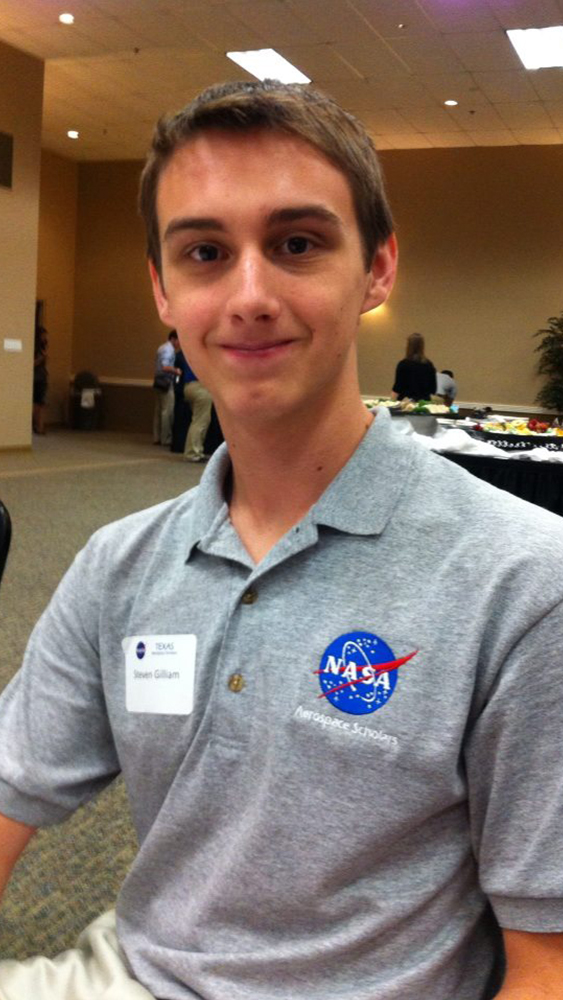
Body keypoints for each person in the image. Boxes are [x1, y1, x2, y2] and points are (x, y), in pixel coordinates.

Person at [0, 80, 562, 1000]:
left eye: (296, 244)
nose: (249, 294)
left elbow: (549, 965)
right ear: (163, 291)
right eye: (206, 253)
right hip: (130, 976)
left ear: (377, 268)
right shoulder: (119, 563)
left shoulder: (524, 581)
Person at [179, 352, 213, 463]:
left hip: (189, 386)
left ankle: (196, 451)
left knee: (197, 421)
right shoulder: (205, 355)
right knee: (200, 422)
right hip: (200, 387)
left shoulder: (190, 352)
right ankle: (193, 453)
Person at [152, 329, 180, 445]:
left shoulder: (161, 347)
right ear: (173, 339)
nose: (180, 343)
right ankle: (166, 438)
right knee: (167, 411)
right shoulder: (169, 350)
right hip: (166, 382)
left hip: (158, 381)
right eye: (179, 340)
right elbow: (165, 366)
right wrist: (176, 370)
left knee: (158, 411)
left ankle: (157, 437)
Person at [391, 331, 436, 401]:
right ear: (422, 346)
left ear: (408, 346)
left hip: (405, 403)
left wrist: (391, 402)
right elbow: (433, 389)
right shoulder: (428, 364)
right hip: (423, 403)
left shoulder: (403, 364)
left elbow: (397, 387)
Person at [32, 326, 48, 435]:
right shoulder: (34, 348)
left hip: (42, 376)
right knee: (36, 403)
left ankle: (40, 425)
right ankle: (36, 425)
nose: (45, 337)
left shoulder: (44, 347)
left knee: (41, 403)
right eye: (43, 335)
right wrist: (41, 359)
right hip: (35, 377)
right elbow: (31, 363)